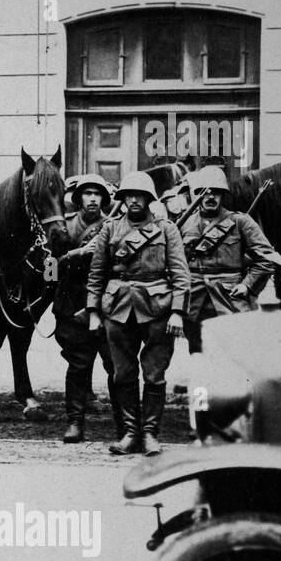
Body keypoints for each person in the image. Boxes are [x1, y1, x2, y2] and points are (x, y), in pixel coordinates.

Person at [86, 171, 190, 457]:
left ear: (148, 199)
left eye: (139, 196)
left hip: (157, 309)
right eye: (128, 195)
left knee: (155, 376)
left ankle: (150, 434)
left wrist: (178, 312)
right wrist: (94, 311)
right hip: (117, 310)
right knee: (123, 375)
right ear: (122, 199)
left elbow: (181, 275)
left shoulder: (167, 229)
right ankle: (130, 433)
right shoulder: (109, 230)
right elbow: (96, 274)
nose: (133, 200)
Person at [177, 165, 277, 353]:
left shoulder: (241, 222)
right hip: (194, 301)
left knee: (230, 354)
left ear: (223, 195)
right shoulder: (184, 224)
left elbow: (267, 259)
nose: (210, 197)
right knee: (197, 354)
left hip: (228, 299)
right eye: (205, 192)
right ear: (197, 194)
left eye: (216, 192)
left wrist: (247, 285)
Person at [54, 174, 118, 444]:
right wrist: (75, 255)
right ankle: (74, 422)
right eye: (87, 193)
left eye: (97, 194)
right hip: (72, 304)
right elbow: (48, 271)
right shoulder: (64, 228)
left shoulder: (114, 226)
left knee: (116, 366)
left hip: (107, 304)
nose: (92, 198)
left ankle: (124, 423)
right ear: (78, 198)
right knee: (78, 365)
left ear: (104, 199)